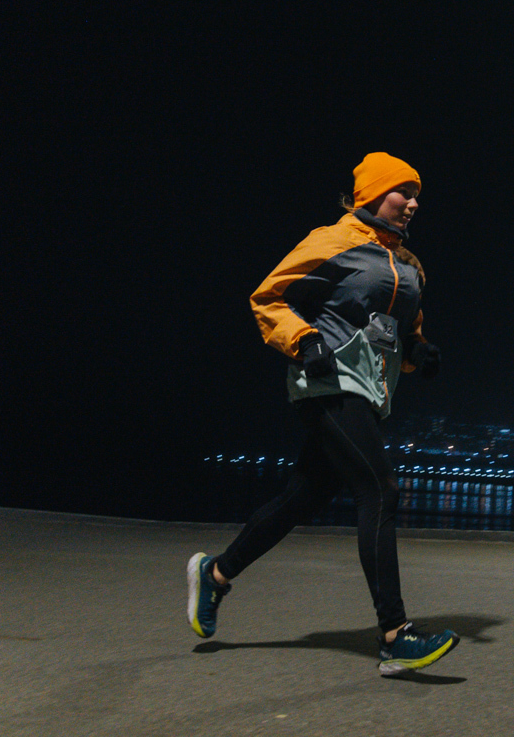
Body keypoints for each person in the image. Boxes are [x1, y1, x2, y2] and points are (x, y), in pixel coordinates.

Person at [186, 152, 458, 676]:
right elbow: (269, 298)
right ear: (373, 194)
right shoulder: (332, 241)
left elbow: (406, 326)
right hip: (327, 380)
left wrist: (419, 351)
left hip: (372, 390)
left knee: (302, 498)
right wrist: (304, 340)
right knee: (381, 489)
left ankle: (215, 574)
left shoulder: (410, 264)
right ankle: (395, 636)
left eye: (417, 195)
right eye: (404, 192)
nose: (413, 203)